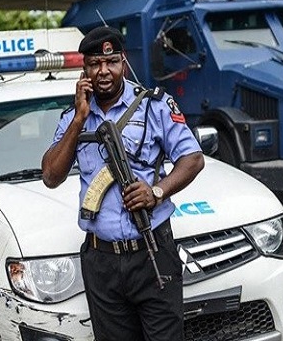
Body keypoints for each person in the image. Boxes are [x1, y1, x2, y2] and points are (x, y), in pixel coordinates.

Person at [41, 26, 204, 341]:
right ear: (84, 69)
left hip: (152, 252)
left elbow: (193, 159)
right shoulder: (74, 116)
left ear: (123, 63)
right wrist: (78, 118)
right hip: (101, 260)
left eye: (111, 62)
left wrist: (156, 192)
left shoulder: (154, 105)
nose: (104, 71)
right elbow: (50, 175)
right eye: (94, 64)